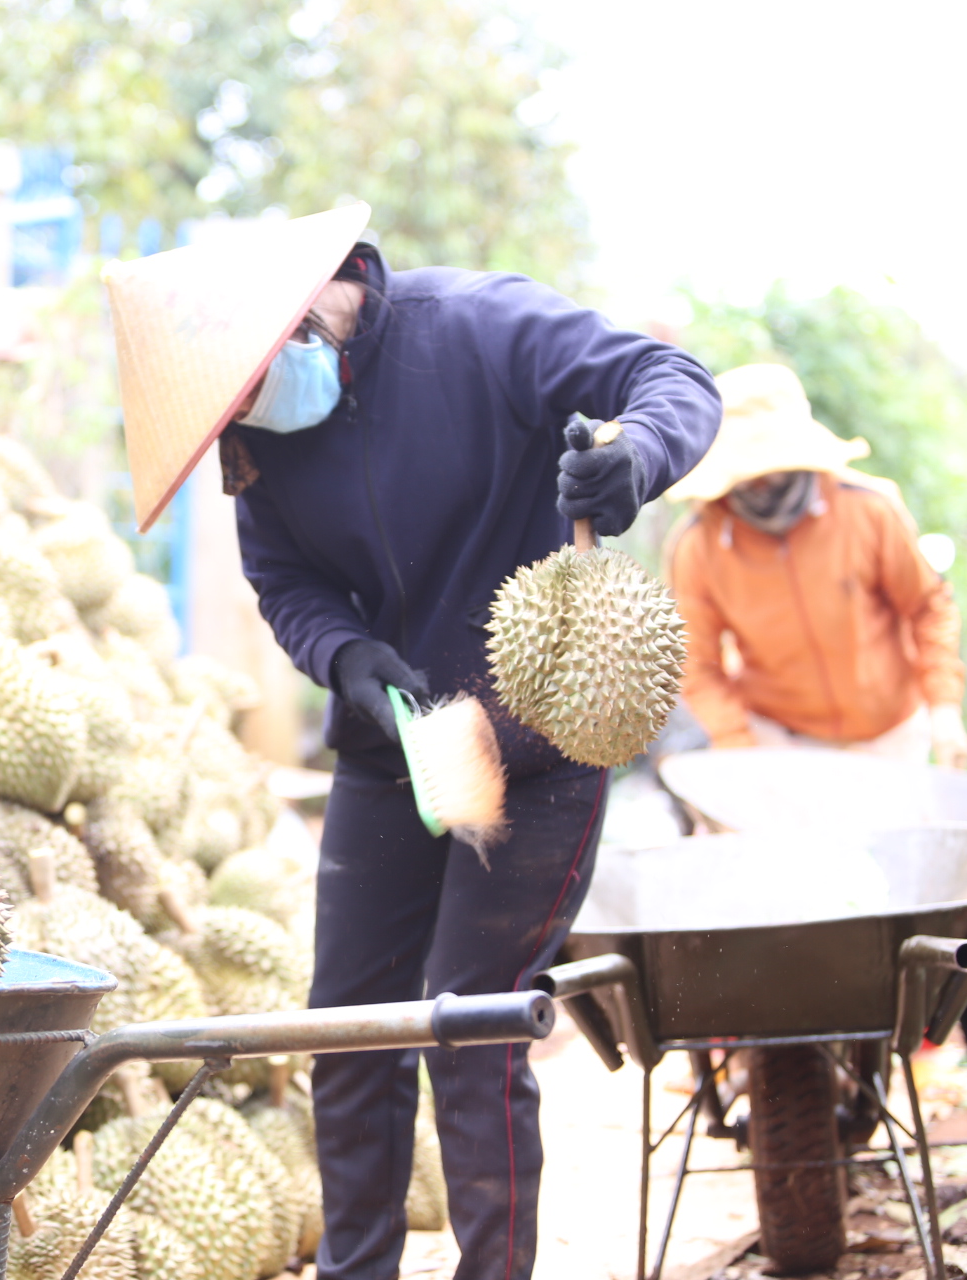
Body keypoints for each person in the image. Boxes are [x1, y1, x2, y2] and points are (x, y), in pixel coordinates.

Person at [105, 206, 721, 1280]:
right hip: (396, 743)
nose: (249, 414)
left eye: (252, 384)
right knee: (348, 1025)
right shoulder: (257, 433)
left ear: (307, 312)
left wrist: (636, 456)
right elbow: (284, 580)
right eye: (233, 404)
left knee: (471, 1014)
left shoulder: (479, 326)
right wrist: (342, 653)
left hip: (543, 733)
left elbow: (677, 380)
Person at [666, 362, 967, 767]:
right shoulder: (699, 545)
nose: (760, 484)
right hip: (777, 738)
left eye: (770, 468)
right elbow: (697, 664)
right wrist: (737, 746)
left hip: (888, 736)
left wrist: (945, 710)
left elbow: (928, 608)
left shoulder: (868, 511)